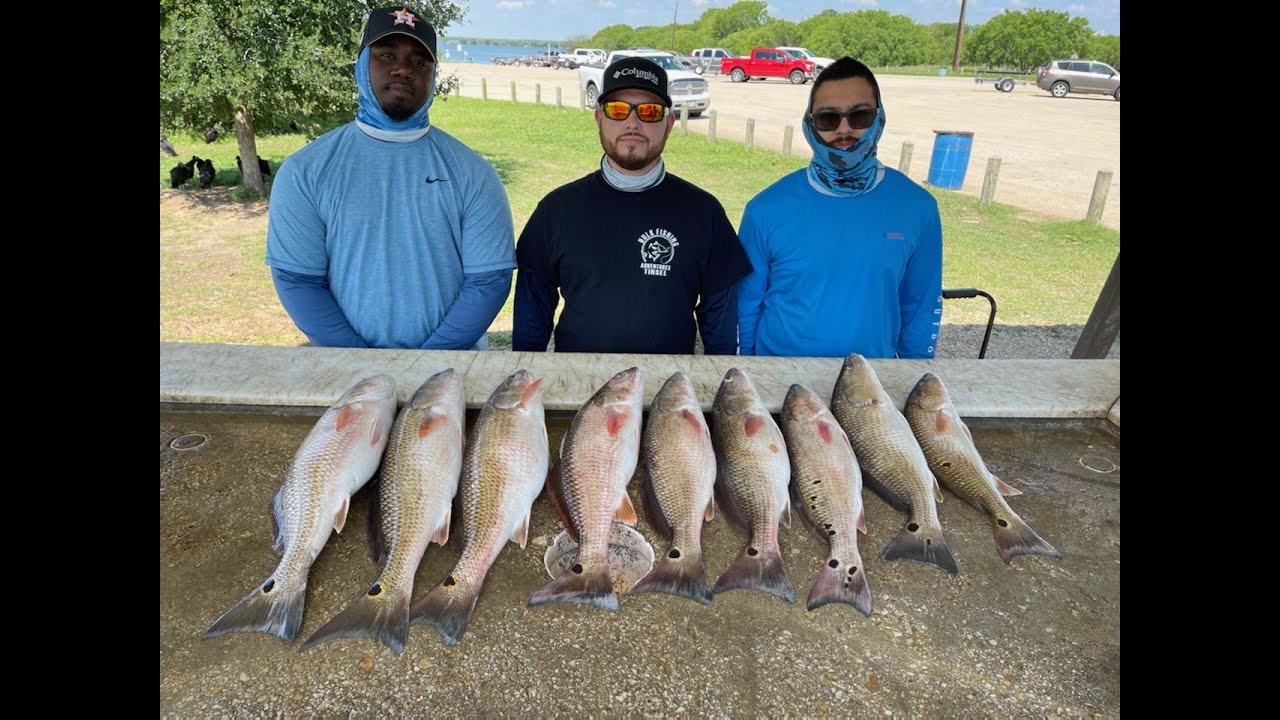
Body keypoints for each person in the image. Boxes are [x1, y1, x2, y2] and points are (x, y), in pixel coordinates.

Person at [265, 6, 515, 349]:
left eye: (419, 62)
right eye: (386, 54)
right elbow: (299, 281)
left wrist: (426, 368)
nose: (402, 69)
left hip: (449, 377)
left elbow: (489, 281)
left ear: (432, 76)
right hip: (350, 374)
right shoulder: (305, 171)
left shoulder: (474, 173)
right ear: (360, 64)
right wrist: (363, 366)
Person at [512, 56, 752, 355]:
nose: (633, 122)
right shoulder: (556, 209)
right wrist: (525, 371)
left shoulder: (704, 212)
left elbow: (720, 319)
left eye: (650, 111)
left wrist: (720, 380)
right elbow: (532, 310)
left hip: (666, 393)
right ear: (600, 119)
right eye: (618, 109)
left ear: (668, 123)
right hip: (579, 388)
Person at [736, 57, 942, 358]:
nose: (844, 130)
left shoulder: (918, 208)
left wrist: (912, 381)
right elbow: (745, 307)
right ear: (810, 123)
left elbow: (920, 308)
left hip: (869, 390)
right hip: (780, 387)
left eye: (859, 116)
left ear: (879, 117)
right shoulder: (764, 209)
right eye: (828, 119)